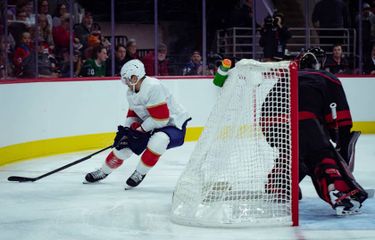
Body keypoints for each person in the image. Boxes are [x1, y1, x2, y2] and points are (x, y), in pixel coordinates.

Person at [262, 47, 368, 215]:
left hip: (271, 125)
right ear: (320, 63)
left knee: (295, 151)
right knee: (321, 156)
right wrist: (339, 139)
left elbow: (270, 107)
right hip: (304, 121)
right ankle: (339, 194)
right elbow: (339, 115)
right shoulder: (327, 77)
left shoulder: (287, 77)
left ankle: (279, 184)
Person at [84, 59, 191, 189]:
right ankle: (103, 171)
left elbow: (161, 119)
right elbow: (133, 113)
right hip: (152, 123)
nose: (126, 83)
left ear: (134, 77)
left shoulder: (153, 87)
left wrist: (139, 130)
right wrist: (126, 131)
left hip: (173, 126)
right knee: (124, 146)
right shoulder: (131, 92)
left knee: (159, 141)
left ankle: (139, 173)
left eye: (127, 79)